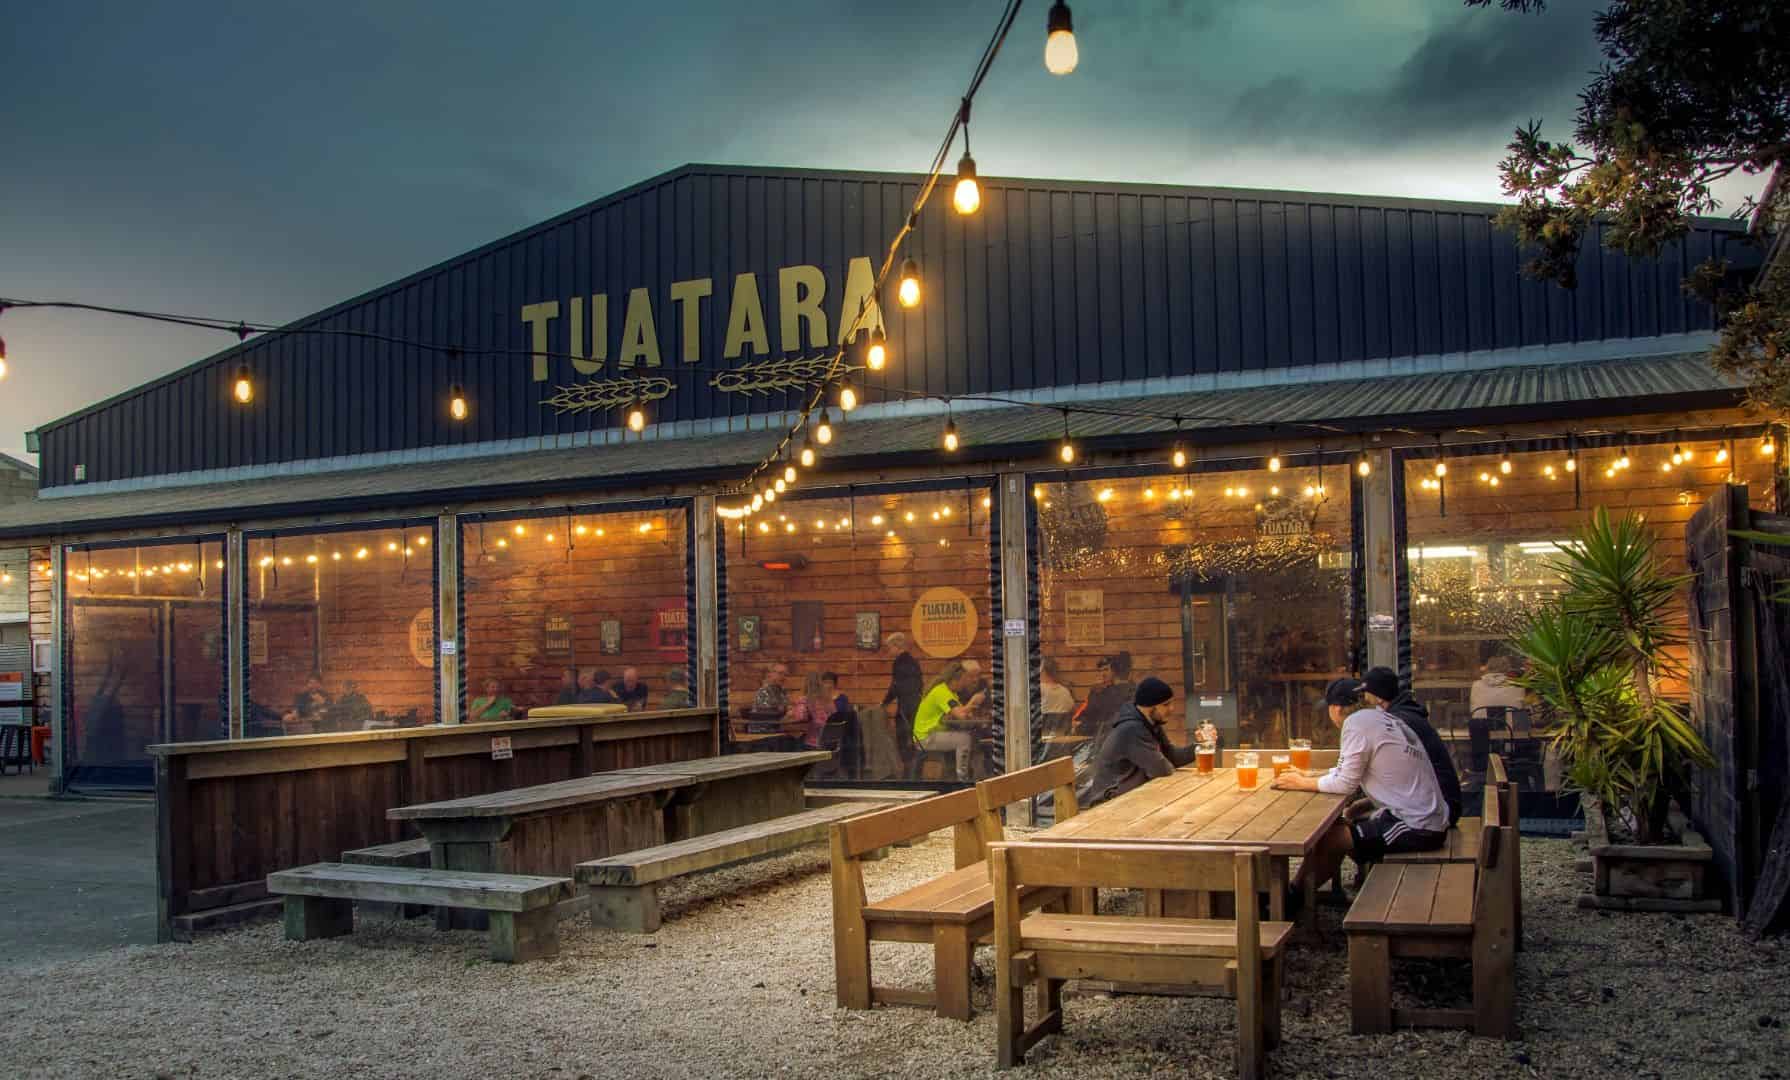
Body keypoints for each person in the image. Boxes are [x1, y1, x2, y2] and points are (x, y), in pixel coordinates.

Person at [1272, 677, 1450, 890]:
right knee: (1338, 828)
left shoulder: (1355, 723)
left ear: (1336, 708)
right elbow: (1350, 770)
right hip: (1425, 816)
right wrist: (1310, 776)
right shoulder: (1381, 718)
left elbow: (1345, 784)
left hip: (1420, 826)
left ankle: (1293, 897)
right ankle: (1298, 893)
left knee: (1335, 838)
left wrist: (1302, 783)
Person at [1359, 666, 1463, 826]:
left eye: (1366, 696)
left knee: (1357, 833)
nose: (1364, 699)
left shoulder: (1397, 723)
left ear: (1379, 698)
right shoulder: (1406, 715)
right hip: (1444, 803)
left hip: (1438, 812)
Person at [1081, 677, 1199, 806]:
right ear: (1149, 707)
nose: (1172, 708)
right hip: (1109, 803)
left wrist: (1202, 746)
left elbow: (1172, 756)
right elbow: (1161, 770)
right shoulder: (1132, 729)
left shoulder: (1151, 723)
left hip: (1130, 796)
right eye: (1166, 704)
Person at [912, 660, 988, 781]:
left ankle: (968, 774)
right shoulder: (942, 692)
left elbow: (962, 714)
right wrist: (973, 702)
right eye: (965, 679)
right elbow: (961, 715)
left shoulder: (951, 694)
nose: (965, 683)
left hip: (932, 734)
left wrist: (970, 710)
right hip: (925, 737)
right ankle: (962, 779)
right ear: (956, 679)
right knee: (964, 739)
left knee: (970, 738)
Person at [880, 634, 924, 762]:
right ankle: (915, 774)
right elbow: (919, 684)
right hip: (916, 704)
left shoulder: (899, 663)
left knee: (903, 742)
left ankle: (907, 776)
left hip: (905, 707)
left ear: (896, 646)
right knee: (914, 741)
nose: (889, 651)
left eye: (889, 648)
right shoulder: (914, 661)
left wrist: (884, 702)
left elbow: (895, 686)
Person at [1079, 651, 1136, 747]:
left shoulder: (1101, 692)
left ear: (1114, 671)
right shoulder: (1098, 691)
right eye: (1100, 671)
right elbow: (1086, 714)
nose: (1103, 674)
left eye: (1106, 670)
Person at [1470, 654, 1527, 719]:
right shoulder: (1517, 684)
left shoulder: (1476, 685)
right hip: (1512, 727)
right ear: (1507, 668)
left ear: (1487, 668)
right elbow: (1522, 707)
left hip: (1481, 726)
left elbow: (1472, 708)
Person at [788, 672, 831, 750]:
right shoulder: (828, 701)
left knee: (789, 742)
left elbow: (800, 717)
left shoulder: (804, 700)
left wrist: (792, 712)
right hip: (827, 742)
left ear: (806, 684)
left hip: (811, 742)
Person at [1039, 659, 1076, 733]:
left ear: (1043, 671)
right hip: (1062, 735)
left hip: (1043, 736)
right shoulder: (1065, 691)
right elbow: (1072, 709)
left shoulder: (1040, 689)